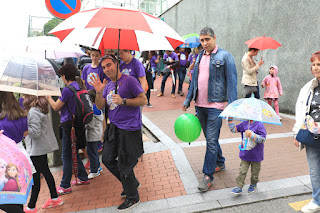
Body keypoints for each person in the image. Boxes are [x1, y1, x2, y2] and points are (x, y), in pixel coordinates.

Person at [182, 27, 237, 192]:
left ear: (214, 38)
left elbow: (232, 83)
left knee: (211, 141)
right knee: (210, 139)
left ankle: (207, 175)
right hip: (200, 105)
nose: (204, 43)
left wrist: (232, 109)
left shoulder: (225, 56)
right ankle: (220, 162)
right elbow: (194, 81)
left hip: (216, 106)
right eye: (202, 40)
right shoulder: (199, 57)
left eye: (207, 39)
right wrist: (187, 99)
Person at [90, 54, 147, 211]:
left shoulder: (130, 81)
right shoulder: (108, 85)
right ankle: (131, 183)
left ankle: (133, 197)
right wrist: (99, 92)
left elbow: (143, 100)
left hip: (129, 129)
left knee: (124, 164)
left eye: (109, 65)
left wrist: (124, 101)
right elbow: (101, 106)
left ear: (117, 64)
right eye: (104, 67)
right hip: (114, 128)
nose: (107, 69)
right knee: (107, 159)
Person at [46, 64, 89, 196]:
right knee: (73, 150)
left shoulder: (66, 90)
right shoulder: (78, 86)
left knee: (66, 155)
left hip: (68, 125)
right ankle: (82, 177)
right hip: (77, 124)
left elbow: (55, 107)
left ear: (64, 76)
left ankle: (65, 185)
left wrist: (48, 97)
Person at [23, 95, 63, 213]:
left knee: (36, 177)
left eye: (25, 96)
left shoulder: (33, 112)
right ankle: (55, 197)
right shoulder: (39, 109)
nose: (23, 98)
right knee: (46, 172)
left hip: (36, 150)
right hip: (40, 148)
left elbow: (35, 133)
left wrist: (24, 129)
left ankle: (31, 206)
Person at [293, 51, 320, 213]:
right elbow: (300, 110)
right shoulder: (308, 87)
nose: (315, 67)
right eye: (314, 64)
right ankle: (317, 200)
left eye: (319, 64)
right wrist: (297, 133)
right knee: (315, 170)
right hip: (311, 135)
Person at [0, 91, 33, 213]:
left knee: (7, 198)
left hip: (5, 160)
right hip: (21, 157)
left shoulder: (1, 120)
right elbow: (25, 133)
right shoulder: (21, 114)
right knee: (17, 193)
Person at [227, 119, 266, 194]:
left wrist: (252, 135)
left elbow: (263, 139)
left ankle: (253, 184)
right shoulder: (244, 124)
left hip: (256, 155)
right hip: (245, 154)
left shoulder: (259, 125)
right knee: (242, 171)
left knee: (255, 171)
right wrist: (230, 121)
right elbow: (234, 130)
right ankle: (239, 186)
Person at [86, 90, 104, 179]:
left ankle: (94, 170)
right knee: (94, 152)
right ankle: (98, 167)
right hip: (97, 134)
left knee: (91, 153)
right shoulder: (98, 108)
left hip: (92, 135)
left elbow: (91, 124)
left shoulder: (92, 110)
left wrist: (85, 125)